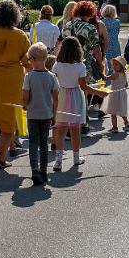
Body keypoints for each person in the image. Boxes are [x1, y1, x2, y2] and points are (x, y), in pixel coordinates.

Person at [0, 0, 30, 170]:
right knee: (9, 123)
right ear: (15, 16)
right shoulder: (20, 35)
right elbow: (27, 61)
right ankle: (1, 159)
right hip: (13, 82)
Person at [22, 43, 59, 186]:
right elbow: (55, 98)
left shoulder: (29, 77)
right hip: (46, 114)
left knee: (33, 142)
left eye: (30, 59)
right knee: (44, 143)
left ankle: (35, 170)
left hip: (32, 114)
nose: (29, 61)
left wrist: (25, 105)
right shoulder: (52, 77)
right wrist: (54, 115)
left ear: (35, 59)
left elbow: (25, 96)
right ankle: (44, 171)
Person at [52, 35, 90, 171]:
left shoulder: (57, 64)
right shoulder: (81, 66)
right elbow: (84, 86)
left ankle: (58, 160)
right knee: (75, 130)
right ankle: (76, 157)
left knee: (60, 130)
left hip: (61, 95)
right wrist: (99, 91)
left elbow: (54, 82)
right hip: (75, 96)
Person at [104, 56, 129, 134]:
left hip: (115, 94)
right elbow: (126, 85)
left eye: (116, 64)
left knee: (113, 112)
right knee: (122, 110)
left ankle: (115, 127)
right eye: (114, 64)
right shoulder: (123, 74)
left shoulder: (116, 74)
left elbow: (108, 78)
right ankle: (126, 122)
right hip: (122, 94)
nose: (114, 66)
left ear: (121, 66)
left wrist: (103, 76)